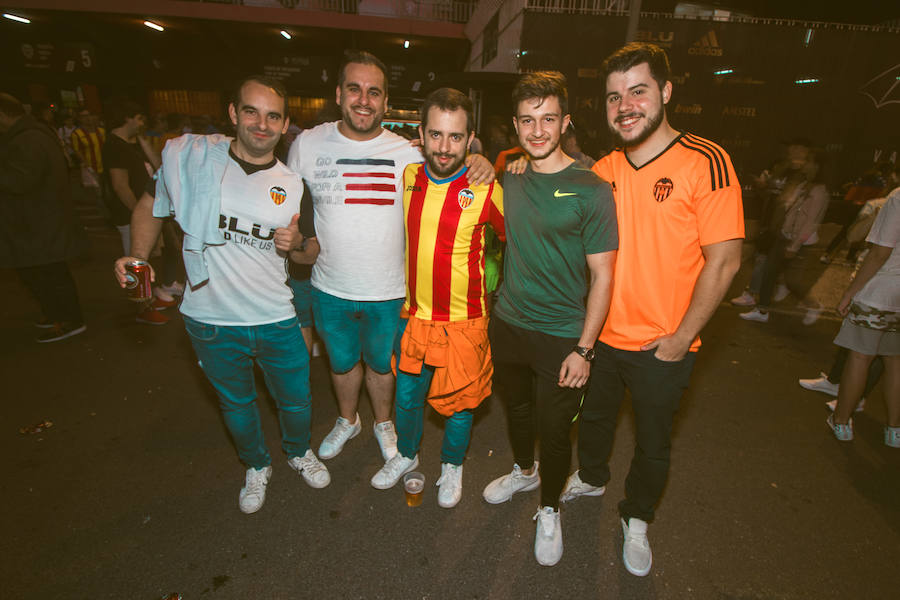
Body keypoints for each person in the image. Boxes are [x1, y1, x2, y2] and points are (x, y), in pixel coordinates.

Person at [560, 43, 743, 576]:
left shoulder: (705, 161)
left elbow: (725, 262)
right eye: (614, 96)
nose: (625, 106)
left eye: (637, 91)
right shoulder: (606, 169)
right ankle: (591, 477)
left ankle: (636, 515)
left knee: (653, 441)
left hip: (662, 344)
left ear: (665, 92)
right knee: (592, 421)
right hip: (601, 339)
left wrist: (682, 338)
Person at [114, 75, 329, 513]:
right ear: (233, 113)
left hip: (276, 316)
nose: (261, 124)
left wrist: (298, 246)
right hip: (210, 318)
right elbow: (148, 205)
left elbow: (311, 253)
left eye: (273, 116)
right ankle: (255, 465)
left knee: (297, 398)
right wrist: (137, 256)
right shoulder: (191, 161)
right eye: (251, 111)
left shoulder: (292, 183)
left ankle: (297, 452)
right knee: (236, 403)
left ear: (285, 124)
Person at [286, 51, 494, 464]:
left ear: (385, 101)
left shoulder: (409, 153)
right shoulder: (306, 145)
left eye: (374, 92)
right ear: (338, 94)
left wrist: (479, 158)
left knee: (384, 367)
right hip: (329, 287)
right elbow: (292, 207)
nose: (364, 100)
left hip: (392, 292)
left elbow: (448, 158)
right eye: (354, 89)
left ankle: (383, 423)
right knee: (342, 365)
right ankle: (348, 420)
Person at [481, 71, 617, 567]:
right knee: (516, 412)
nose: (537, 131)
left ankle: (550, 506)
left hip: (563, 335)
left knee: (556, 431)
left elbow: (604, 276)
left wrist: (585, 348)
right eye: (527, 121)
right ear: (515, 126)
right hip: (510, 325)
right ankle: (523, 470)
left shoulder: (592, 188)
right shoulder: (508, 177)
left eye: (548, 120)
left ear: (565, 123)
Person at [369, 88, 505, 508]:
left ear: (470, 139)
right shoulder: (410, 176)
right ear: (422, 136)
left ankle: (451, 465)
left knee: (460, 407)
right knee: (407, 399)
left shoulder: (486, 187)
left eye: (456, 137)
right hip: (415, 317)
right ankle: (407, 456)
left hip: (465, 320)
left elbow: (515, 241)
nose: (445, 147)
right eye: (436, 135)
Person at [0, 93, 88, 342]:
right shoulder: (33, 134)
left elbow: (20, 180)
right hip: (37, 221)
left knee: (48, 275)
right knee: (43, 274)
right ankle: (58, 315)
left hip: (36, 222)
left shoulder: (28, 139)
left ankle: (68, 320)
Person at [827, 187, 900, 447]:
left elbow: (879, 253)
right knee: (895, 362)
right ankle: (895, 431)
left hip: (881, 291)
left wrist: (849, 293)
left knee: (860, 357)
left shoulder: (898, 197)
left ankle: (842, 422)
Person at [739, 145, 829, 324]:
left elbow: (810, 222)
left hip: (799, 242)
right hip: (784, 236)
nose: (803, 164)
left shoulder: (819, 191)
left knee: (792, 281)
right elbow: (785, 203)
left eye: (808, 161)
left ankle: (813, 305)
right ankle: (762, 310)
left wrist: (794, 246)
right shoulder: (803, 184)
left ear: (816, 166)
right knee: (769, 272)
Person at [103, 99, 173, 325]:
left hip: (150, 206)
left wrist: (142, 141)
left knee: (153, 258)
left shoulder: (134, 143)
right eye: (139, 118)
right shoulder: (115, 144)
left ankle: (149, 301)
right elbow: (120, 185)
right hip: (130, 213)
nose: (142, 123)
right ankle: (143, 308)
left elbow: (158, 165)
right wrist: (141, 215)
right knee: (136, 264)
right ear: (128, 118)